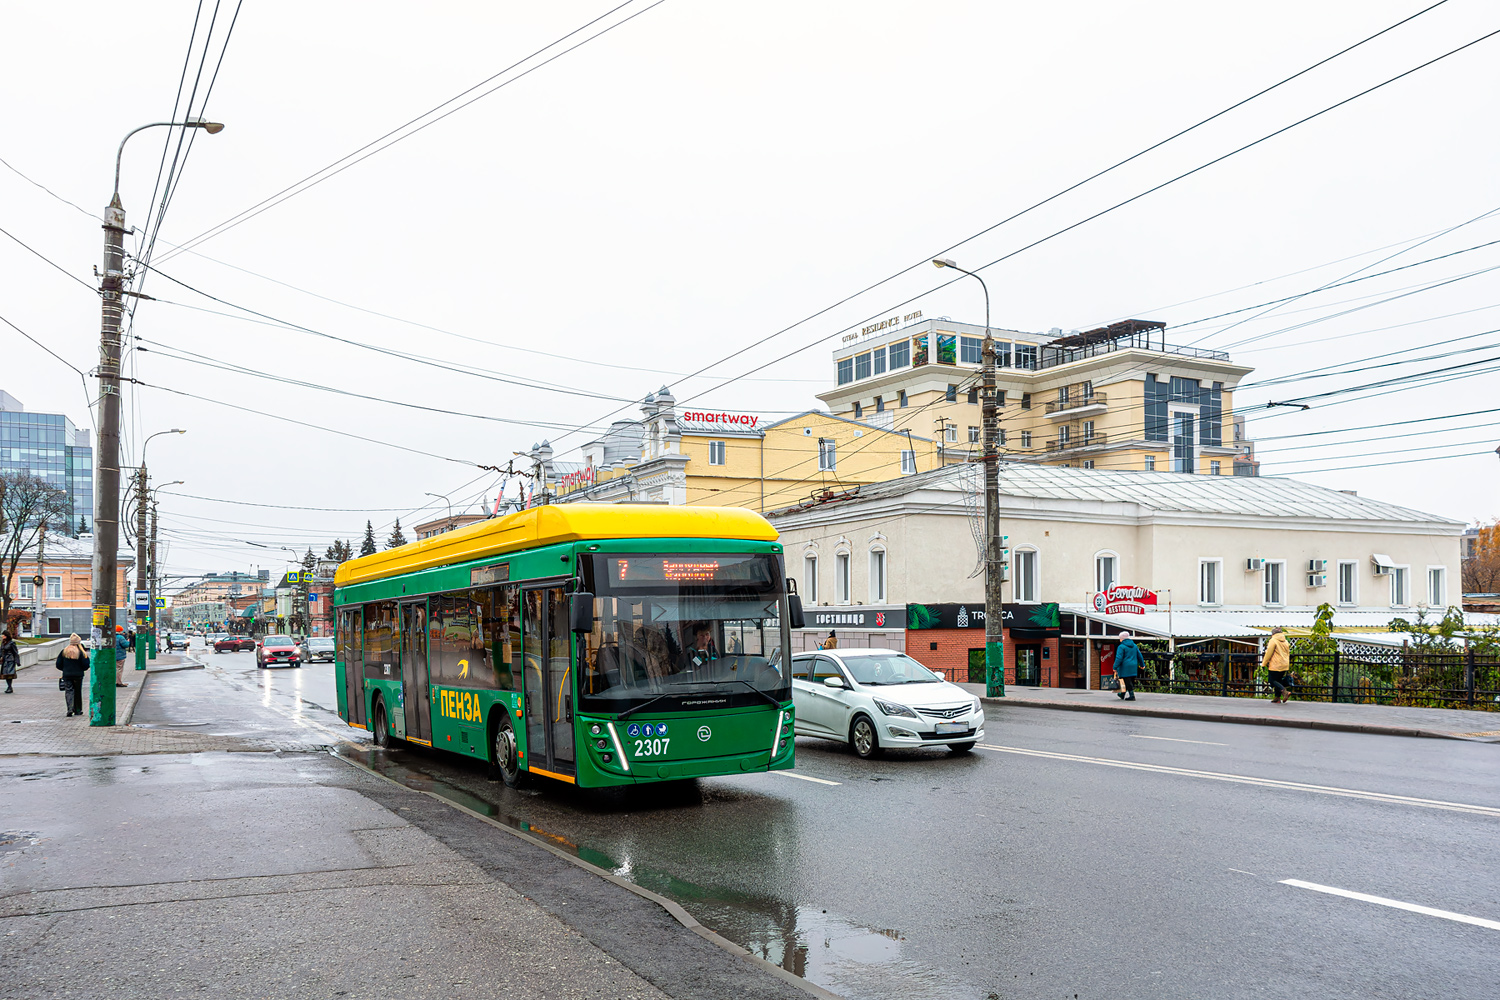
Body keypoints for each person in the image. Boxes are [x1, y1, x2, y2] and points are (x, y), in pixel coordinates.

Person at [55, 633, 89, 717]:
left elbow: (58, 664)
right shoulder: (81, 652)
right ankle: (78, 710)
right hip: (78, 675)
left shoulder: (64, 651)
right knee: (77, 691)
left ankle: (69, 708)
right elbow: (86, 664)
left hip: (67, 675)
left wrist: (65, 670)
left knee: (69, 691)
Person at [1263, 626, 1293, 704]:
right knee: (1278, 680)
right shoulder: (1285, 641)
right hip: (1284, 664)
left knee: (1272, 680)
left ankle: (1284, 691)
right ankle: (1277, 698)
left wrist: (1264, 663)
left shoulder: (1273, 640)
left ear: (1273, 633)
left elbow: (1268, 653)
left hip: (1276, 664)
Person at [1113, 630, 1142, 702]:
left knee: (1127, 681)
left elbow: (1119, 658)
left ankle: (1132, 696)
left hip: (1125, 667)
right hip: (1133, 666)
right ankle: (1122, 694)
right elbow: (1139, 655)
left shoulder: (1121, 647)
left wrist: (1115, 667)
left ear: (1122, 639)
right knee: (1128, 681)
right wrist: (1142, 664)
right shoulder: (1134, 646)